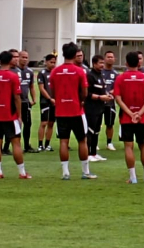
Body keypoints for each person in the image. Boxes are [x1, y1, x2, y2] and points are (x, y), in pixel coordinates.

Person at [51, 42, 97, 180]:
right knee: (82, 140)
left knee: (63, 141)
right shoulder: (79, 71)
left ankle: (65, 173)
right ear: (75, 54)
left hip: (61, 112)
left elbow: (53, 90)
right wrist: (80, 100)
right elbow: (85, 91)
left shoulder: (55, 71)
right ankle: (85, 171)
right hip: (76, 110)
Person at [0, 51, 31, 179]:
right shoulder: (13, 77)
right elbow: (17, 98)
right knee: (16, 143)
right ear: (11, 61)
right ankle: (22, 173)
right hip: (10, 115)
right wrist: (19, 116)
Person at [114, 51, 144, 184]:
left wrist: (130, 113)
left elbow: (118, 98)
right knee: (143, 145)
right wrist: (139, 113)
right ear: (138, 63)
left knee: (128, 146)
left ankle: (133, 177)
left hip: (126, 118)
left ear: (126, 63)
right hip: (141, 118)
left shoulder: (120, 78)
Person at [84, 55, 109, 162]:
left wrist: (107, 95)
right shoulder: (90, 76)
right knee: (90, 131)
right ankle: (88, 154)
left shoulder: (101, 75)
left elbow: (102, 90)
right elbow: (86, 94)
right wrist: (99, 97)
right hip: (91, 108)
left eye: (103, 63)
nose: (102, 65)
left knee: (97, 131)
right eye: (100, 63)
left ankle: (94, 153)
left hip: (100, 108)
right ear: (94, 64)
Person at [18, 51, 38, 153]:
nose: (25, 59)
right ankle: (7, 146)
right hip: (16, 102)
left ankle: (26, 145)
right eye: (23, 57)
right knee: (15, 124)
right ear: (18, 58)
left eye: (27, 57)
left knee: (27, 123)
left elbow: (31, 86)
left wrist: (34, 98)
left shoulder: (29, 71)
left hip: (26, 102)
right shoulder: (14, 71)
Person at [2, 49, 21, 156]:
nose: (16, 59)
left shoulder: (18, 71)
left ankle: (7, 147)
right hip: (10, 105)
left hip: (19, 101)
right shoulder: (10, 74)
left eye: (17, 56)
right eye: (14, 57)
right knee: (11, 130)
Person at [37, 53, 57, 152]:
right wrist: (49, 98)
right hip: (45, 101)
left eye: (54, 62)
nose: (53, 64)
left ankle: (47, 144)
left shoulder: (56, 73)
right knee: (44, 123)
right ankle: (40, 144)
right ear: (46, 62)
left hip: (55, 101)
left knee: (51, 123)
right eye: (51, 62)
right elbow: (41, 88)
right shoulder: (42, 73)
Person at [101, 51, 119, 151]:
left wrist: (110, 93)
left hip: (110, 103)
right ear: (104, 59)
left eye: (112, 57)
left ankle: (109, 143)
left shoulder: (116, 74)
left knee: (110, 124)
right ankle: (94, 143)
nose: (110, 59)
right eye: (108, 57)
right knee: (96, 124)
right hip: (99, 102)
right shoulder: (100, 72)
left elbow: (118, 87)